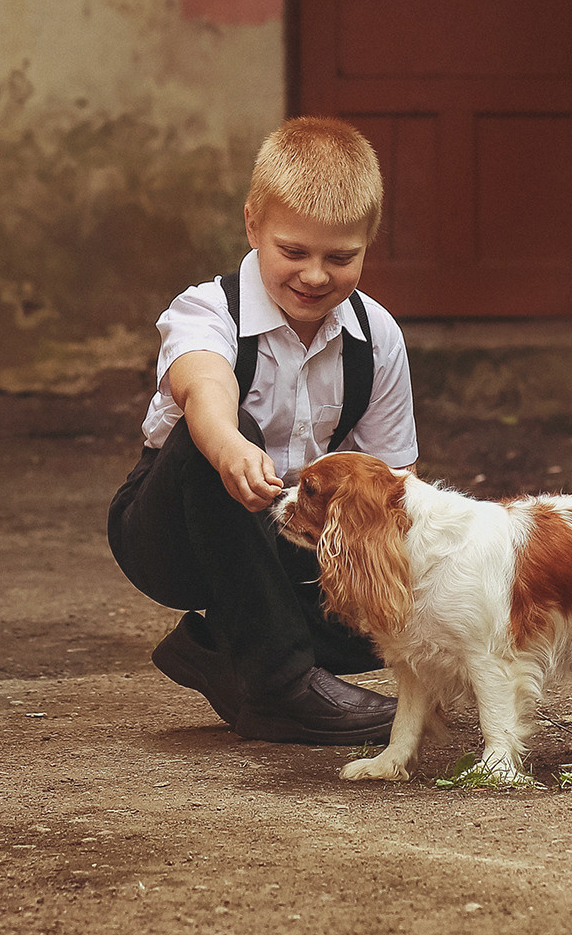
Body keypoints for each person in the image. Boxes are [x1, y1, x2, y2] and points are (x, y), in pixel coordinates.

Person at [108, 117, 418, 743]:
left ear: (368, 243)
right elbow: (204, 389)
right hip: (177, 536)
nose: (314, 275)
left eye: (341, 257)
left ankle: (218, 648)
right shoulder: (206, 309)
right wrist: (232, 450)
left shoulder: (375, 334)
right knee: (211, 438)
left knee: (398, 616)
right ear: (253, 226)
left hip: (289, 535)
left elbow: (393, 485)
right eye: (293, 251)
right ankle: (279, 687)